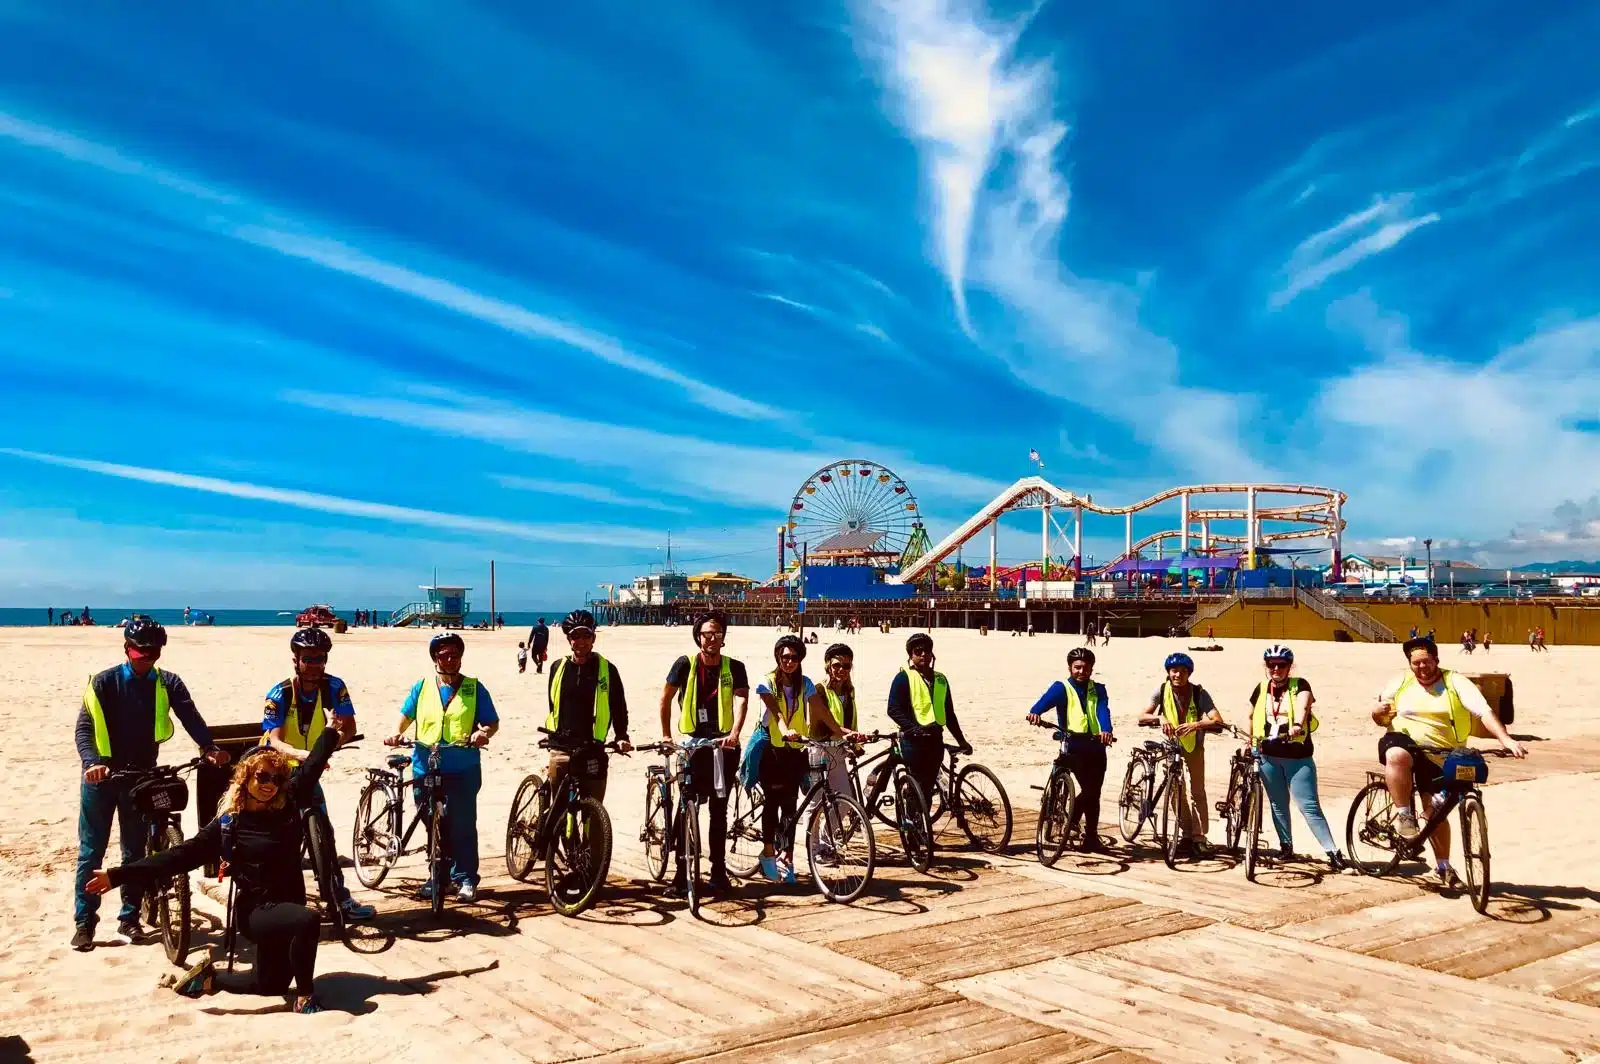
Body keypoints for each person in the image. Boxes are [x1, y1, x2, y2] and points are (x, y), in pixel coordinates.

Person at [87, 725, 348, 1013]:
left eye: (275, 778)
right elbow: (176, 858)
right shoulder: (229, 824)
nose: (269, 784)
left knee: (270, 986)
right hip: (257, 911)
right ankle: (305, 998)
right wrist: (117, 876)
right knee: (308, 920)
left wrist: (330, 730)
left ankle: (211, 978)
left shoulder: (288, 802)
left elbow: (311, 768)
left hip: (289, 905)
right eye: (261, 776)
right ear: (245, 777)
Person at [72, 617, 230, 951]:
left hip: (142, 777)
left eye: (154, 650)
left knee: (133, 851)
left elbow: (191, 717)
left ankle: (130, 919)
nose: (147, 656)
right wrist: (92, 763)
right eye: (140, 650)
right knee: (92, 851)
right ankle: (85, 923)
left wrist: (209, 748)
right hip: (102, 778)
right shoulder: (104, 682)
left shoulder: (168, 683)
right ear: (126, 648)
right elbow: (84, 729)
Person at [1373, 636, 1527, 888]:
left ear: (1436, 660)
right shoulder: (1400, 681)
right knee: (1397, 754)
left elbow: (1483, 711)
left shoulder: (1455, 682)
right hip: (1404, 742)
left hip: (1444, 752)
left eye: (1426, 662)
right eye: (1416, 663)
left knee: (1435, 813)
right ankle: (1403, 815)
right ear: (1409, 665)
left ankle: (1443, 867)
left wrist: (1505, 739)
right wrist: (1376, 712)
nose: (1421, 667)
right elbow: (1379, 712)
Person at [260, 627, 376, 919]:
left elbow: (349, 727)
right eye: (308, 659)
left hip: (309, 767)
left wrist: (332, 743)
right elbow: (274, 740)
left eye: (320, 659)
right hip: (276, 767)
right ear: (296, 660)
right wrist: (303, 754)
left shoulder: (335, 687)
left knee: (323, 828)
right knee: (274, 835)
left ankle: (337, 894)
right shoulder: (281, 692)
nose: (314, 665)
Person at [386, 632, 498, 902]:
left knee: (462, 824)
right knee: (432, 823)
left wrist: (483, 733)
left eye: (455, 655)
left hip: (462, 765)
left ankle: (466, 878)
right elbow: (406, 714)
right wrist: (396, 733)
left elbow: (491, 722)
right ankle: (439, 875)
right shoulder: (422, 686)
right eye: (444, 655)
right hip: (426, 764)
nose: (450, 660)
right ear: (435, 658)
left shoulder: (474, 687)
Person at [659, 611, 749, 897]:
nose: (712, 638)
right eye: (707, 634)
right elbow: (666, 698)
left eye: (717, 634)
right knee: (687, 806)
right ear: (698, 636)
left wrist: (735, 734)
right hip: (692, 744)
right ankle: (680, 872)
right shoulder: (685, 664)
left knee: (719, 812)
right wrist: (666, 735)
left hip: (723, 746)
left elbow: (742, 698)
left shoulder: (734, 666)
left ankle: (718, 871)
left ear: (723, 638)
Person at [1248, 645, 1350, 873]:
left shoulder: (1300, 685)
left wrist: (1296, 725)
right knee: (1278, 804)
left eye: (1281, 665)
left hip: (1297, 756)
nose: (1276, 669)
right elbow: (1252, 715)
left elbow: (1304, 705)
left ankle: (1333, 852)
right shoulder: (1261, 688)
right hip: (1267, 755)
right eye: (1271, 665)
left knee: (1309, 806)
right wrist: (1250, 742)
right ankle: (1286, 847)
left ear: (1289, 667)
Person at [1026, 646, 1114, 852]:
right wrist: (1035, 714)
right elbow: (1041, 704)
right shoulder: (1061, 687)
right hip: (1072, 745)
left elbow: (1103, 711)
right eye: (1077, 668)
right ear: (1069, 668)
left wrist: (1106, 730)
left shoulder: (1099, 689)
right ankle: (1071, 818)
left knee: (1094, 793)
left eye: (1086, 668)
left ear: (1092, 669)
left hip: (1096, 745)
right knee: (1089, 791)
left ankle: (1090, 837)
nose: (1081, 672)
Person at [1137, 652, 1222, 856]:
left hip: (1194, 746)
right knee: (1175, 790)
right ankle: (1186, 834)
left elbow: (1217, 720)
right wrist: (1160, 719)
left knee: (1197, 791)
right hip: (1170, 746)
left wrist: (1196, 724)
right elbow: (1142, 715)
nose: (1178, 675)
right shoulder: (1161, 690)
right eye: (1174, 671)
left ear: (1189, 674)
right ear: (1168, 672)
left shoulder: (1199, 693)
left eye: (1183, 672)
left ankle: (1199, 837)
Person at [879, 633, 972, 811]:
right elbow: (893, 709)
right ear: (911, 655)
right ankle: (914, 833)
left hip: (935, 739)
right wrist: (913, 728)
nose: (923, 654)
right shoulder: (903, 678)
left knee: (927, 788)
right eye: (918, 651)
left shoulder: (940, 679)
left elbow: (949, 714)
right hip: (913, 741)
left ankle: (923, 829)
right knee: (917, 787)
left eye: (927, 651)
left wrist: (961, 741)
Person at [544, 610, 631, 800]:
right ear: (569, 640)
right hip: (562, 746)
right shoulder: (557, 667)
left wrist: (621, 735)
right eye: (575, 636)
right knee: (558, 808)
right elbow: (553, 705)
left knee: (594, 810)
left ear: (593, 638)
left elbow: (618, 705)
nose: (581, 641)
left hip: (593, 747)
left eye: (586, 635)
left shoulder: (607, 669)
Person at [754, 634, 814, 883]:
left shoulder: (806, 683)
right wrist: (785, 727)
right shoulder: (767, 681)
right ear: (778, 658)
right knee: (772, 802)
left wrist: (842, 732)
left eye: (794, 657)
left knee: (791, 807)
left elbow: (820, 709)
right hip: (773, 749)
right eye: (785, 657)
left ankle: (787, 857)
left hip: (796, 750)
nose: (789, 662)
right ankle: (768, 853)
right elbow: (776, 712)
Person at [812, 643, 865, 795]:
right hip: (820, 749)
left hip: (839, 748)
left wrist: (857, 742)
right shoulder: (819, 690)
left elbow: (851, 718)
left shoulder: (849, 690)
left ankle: (828, 821)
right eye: (836, 665)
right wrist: (848, 733)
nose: (841, 670)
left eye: (846, 666)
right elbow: (825, 722)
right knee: (816, 801)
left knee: (844, 799)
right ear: (828, 666)